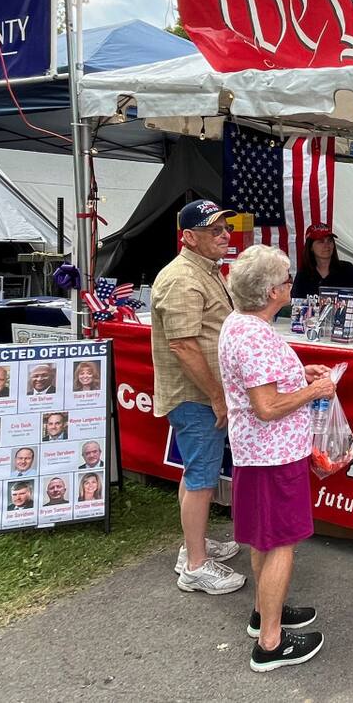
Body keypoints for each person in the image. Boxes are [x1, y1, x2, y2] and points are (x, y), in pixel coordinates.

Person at [220, 244, 337, 671]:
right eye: (286, 280)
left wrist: (297, 375)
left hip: (259, 452)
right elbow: (266, 407)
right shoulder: (253, 336)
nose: (291, 284)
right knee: (282, 542)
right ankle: (270, 643)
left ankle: (263, 612)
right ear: (271, 292)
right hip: (272, 455)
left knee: (264, 538)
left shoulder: (242, 323)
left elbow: (263, 386)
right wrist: (314, 390)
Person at [151, 199, 245, 594]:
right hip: (195, 397)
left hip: (202, 394)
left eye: (225, 229)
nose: (224, 236)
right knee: (202, 476)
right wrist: (217, 396)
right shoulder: (182, 278)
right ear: (189, 237)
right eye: (214, 231)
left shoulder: (203, 270)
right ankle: (195, 565)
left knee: (197, 473)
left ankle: (194, 545)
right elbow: (184, 346)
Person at [290, 224, 353, 299]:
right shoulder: (303, 275)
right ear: (310, 247)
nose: (326, 245)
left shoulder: (348, 269)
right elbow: (295, 304)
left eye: (330, 241)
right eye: (321, 241)